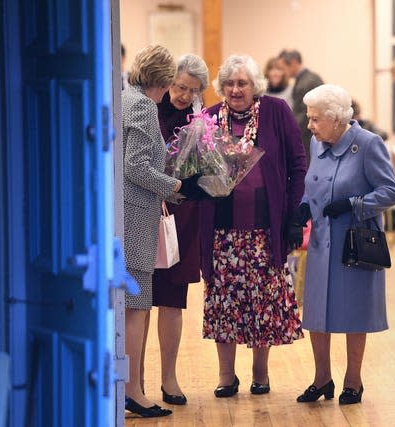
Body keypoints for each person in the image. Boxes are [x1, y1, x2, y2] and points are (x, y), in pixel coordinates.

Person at [200, 54, 306, 398]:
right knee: (224, 301)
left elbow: (298, 164)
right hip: (222, 230)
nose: (235, 89)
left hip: (265, 229)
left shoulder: (275, 111)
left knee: (263, 301)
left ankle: (260, 373)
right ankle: (226, 376)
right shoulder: (211, 118)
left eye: (242, 83)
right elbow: (196, 169)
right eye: (229, 83)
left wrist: (291, 215)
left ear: (254, 85)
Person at [293, 84, 395, 405]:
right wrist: (302, 205)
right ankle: (321, 379)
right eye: (310, 118)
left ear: (337, 119)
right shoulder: (317, 143)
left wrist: (353, 204)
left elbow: (390, 192)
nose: (309, 125)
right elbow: (312, 184)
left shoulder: (368, 145)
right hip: (322, 241)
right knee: (315, 312)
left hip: (353, 244)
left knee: (355, 311)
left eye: (315, 119)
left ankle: (353, 381)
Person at [122, 45, 202, 418]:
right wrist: (175, 187)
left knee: (133, 307)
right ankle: (133, 391)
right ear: (165, 80)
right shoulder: (141, 106)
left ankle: (133, 387)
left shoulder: (125, 97)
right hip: (138, 217)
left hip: (137, 214)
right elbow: (135, 167)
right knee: (135, 308)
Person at [144, 54, 209, 407]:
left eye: (192, 90)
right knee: (138, 299)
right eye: (180, 86)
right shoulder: (148, 108)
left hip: (182, 217)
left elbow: (206, 174)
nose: (183, 94)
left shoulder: (202, 121)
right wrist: (161, 190)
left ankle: (169, 379)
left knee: (172, 299)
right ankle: (133, 383)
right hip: (147, 211)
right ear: (170, 80)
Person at [277, 49, 323, 163]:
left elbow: (302, 117)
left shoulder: (305, 83)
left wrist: (287, 132)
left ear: (293, 63)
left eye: (283, 68)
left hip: (309, 137)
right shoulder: (310, 78)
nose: (283, 73)